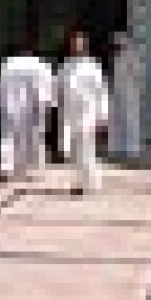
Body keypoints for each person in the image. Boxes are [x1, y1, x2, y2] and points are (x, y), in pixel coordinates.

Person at [57, 29, 110, 195]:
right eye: (74, 43)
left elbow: (101, 91)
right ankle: (79, 183)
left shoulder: (93, 66)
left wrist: (103, 116)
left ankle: (92, 182)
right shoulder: (65, 65)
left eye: (80, 43)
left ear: (85, 45)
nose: (76, 46)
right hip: (70, 112)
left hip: (88, 110)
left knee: (86, 147)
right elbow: (58, 87)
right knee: (73, 149)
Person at [0, 40, 54, 183]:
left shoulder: (8, 65)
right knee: (35, 138)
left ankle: (6, 169)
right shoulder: (40, 66)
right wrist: (47, 106)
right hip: (33, 107)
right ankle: (33, 171)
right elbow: (46, 88)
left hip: (11, 107)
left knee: (9, 138)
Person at [108, 31, 144, 159]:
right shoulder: (117, 56)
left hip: (130, 93)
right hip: (117, 92)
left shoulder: (132, 55)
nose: (118, 45)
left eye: (120, 42)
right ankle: (117, 148)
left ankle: (132, 149)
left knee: (131, 120)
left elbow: (138, 74)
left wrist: (134, 88)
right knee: (116, 120)